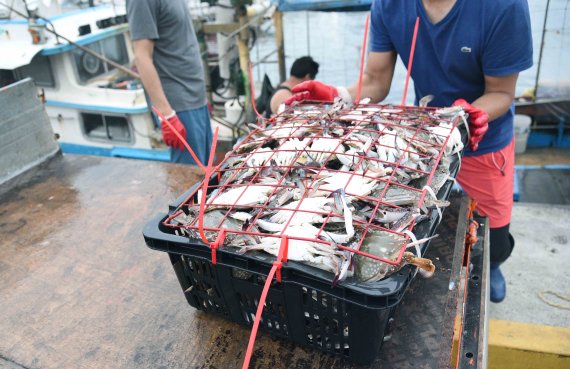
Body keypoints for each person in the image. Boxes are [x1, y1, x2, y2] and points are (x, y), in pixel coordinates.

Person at [286, 0, 533, 303]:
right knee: (416, 211)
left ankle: (493, 264)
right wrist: (340, 95)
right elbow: (376, 81)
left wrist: (470, 116)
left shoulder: (503, 6)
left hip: (485, 136)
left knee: (493, 237)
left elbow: (501, 92)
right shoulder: (388, 4)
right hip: (426, 137)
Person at [126, 0, 212, 165]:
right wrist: (167, 115)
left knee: (208, 177)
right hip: (178, 106)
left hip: (196, 100)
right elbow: (142, 57)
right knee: (191, 183)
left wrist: (202, 98)